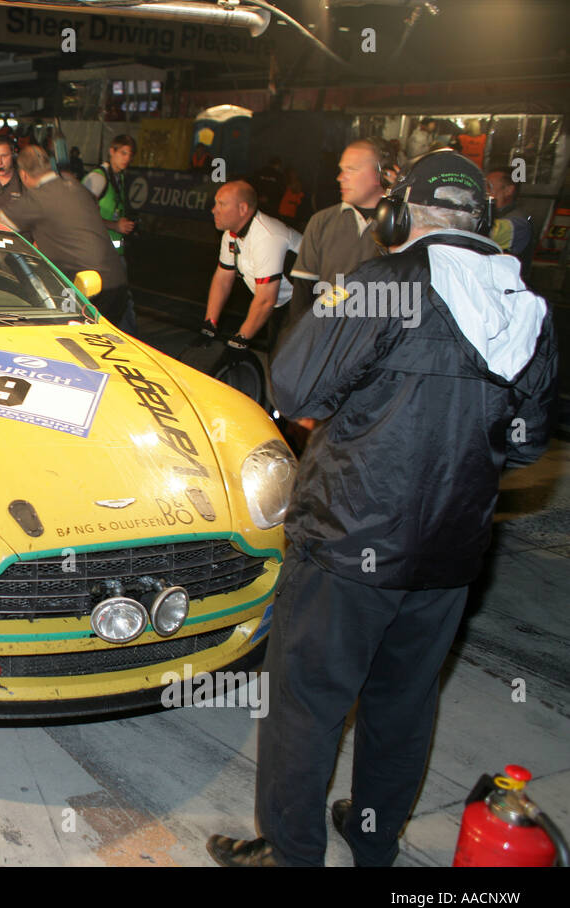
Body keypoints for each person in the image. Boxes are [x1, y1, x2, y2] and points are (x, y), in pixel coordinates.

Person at [207, 149, 558, 867]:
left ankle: (291, 852)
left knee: (306, 703)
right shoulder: (527, 305)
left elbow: (297, 389)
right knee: (403, 702)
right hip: (451, 554)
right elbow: (524, 447)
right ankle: (372, 834)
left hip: (347, 540)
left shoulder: (384, 282)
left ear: (398, 215)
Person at [0, 144, 135, 334]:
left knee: (74, 345)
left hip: (87, 290)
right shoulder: (74, 186)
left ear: (24, 175)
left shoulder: (37, 199)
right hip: (117, 281)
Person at [288, 139, 391, 324]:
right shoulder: (322, 221)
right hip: (327, 335)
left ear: (381, 174)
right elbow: (303, 292)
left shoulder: (405, 225)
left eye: (351, 169)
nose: (340, 177)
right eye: (342, 169)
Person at [202, 180, 301, 350]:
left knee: (285, 364)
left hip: (311, 302)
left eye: (222, 204)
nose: (214, 210)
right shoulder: (230, 235)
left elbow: (266, 300)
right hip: (283, 302)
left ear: (243, 209)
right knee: (277, 360)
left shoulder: (267, 237)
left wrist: (241, 338)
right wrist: (210, 323)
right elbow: (223, 279)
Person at [82, 134, 136, 249]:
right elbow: (82, 215)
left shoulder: (119, 177)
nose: (127, 159)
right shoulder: (98, 178)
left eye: (130, 155)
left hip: (109, 252)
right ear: (112, 151)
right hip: (95, 251)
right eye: (123, 153)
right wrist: (115, 226)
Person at [486, 166, 537, 275]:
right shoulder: (496, 215)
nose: (484, 193)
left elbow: (490, 233)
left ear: (508, 190)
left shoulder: (519, 222)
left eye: (489, 187)